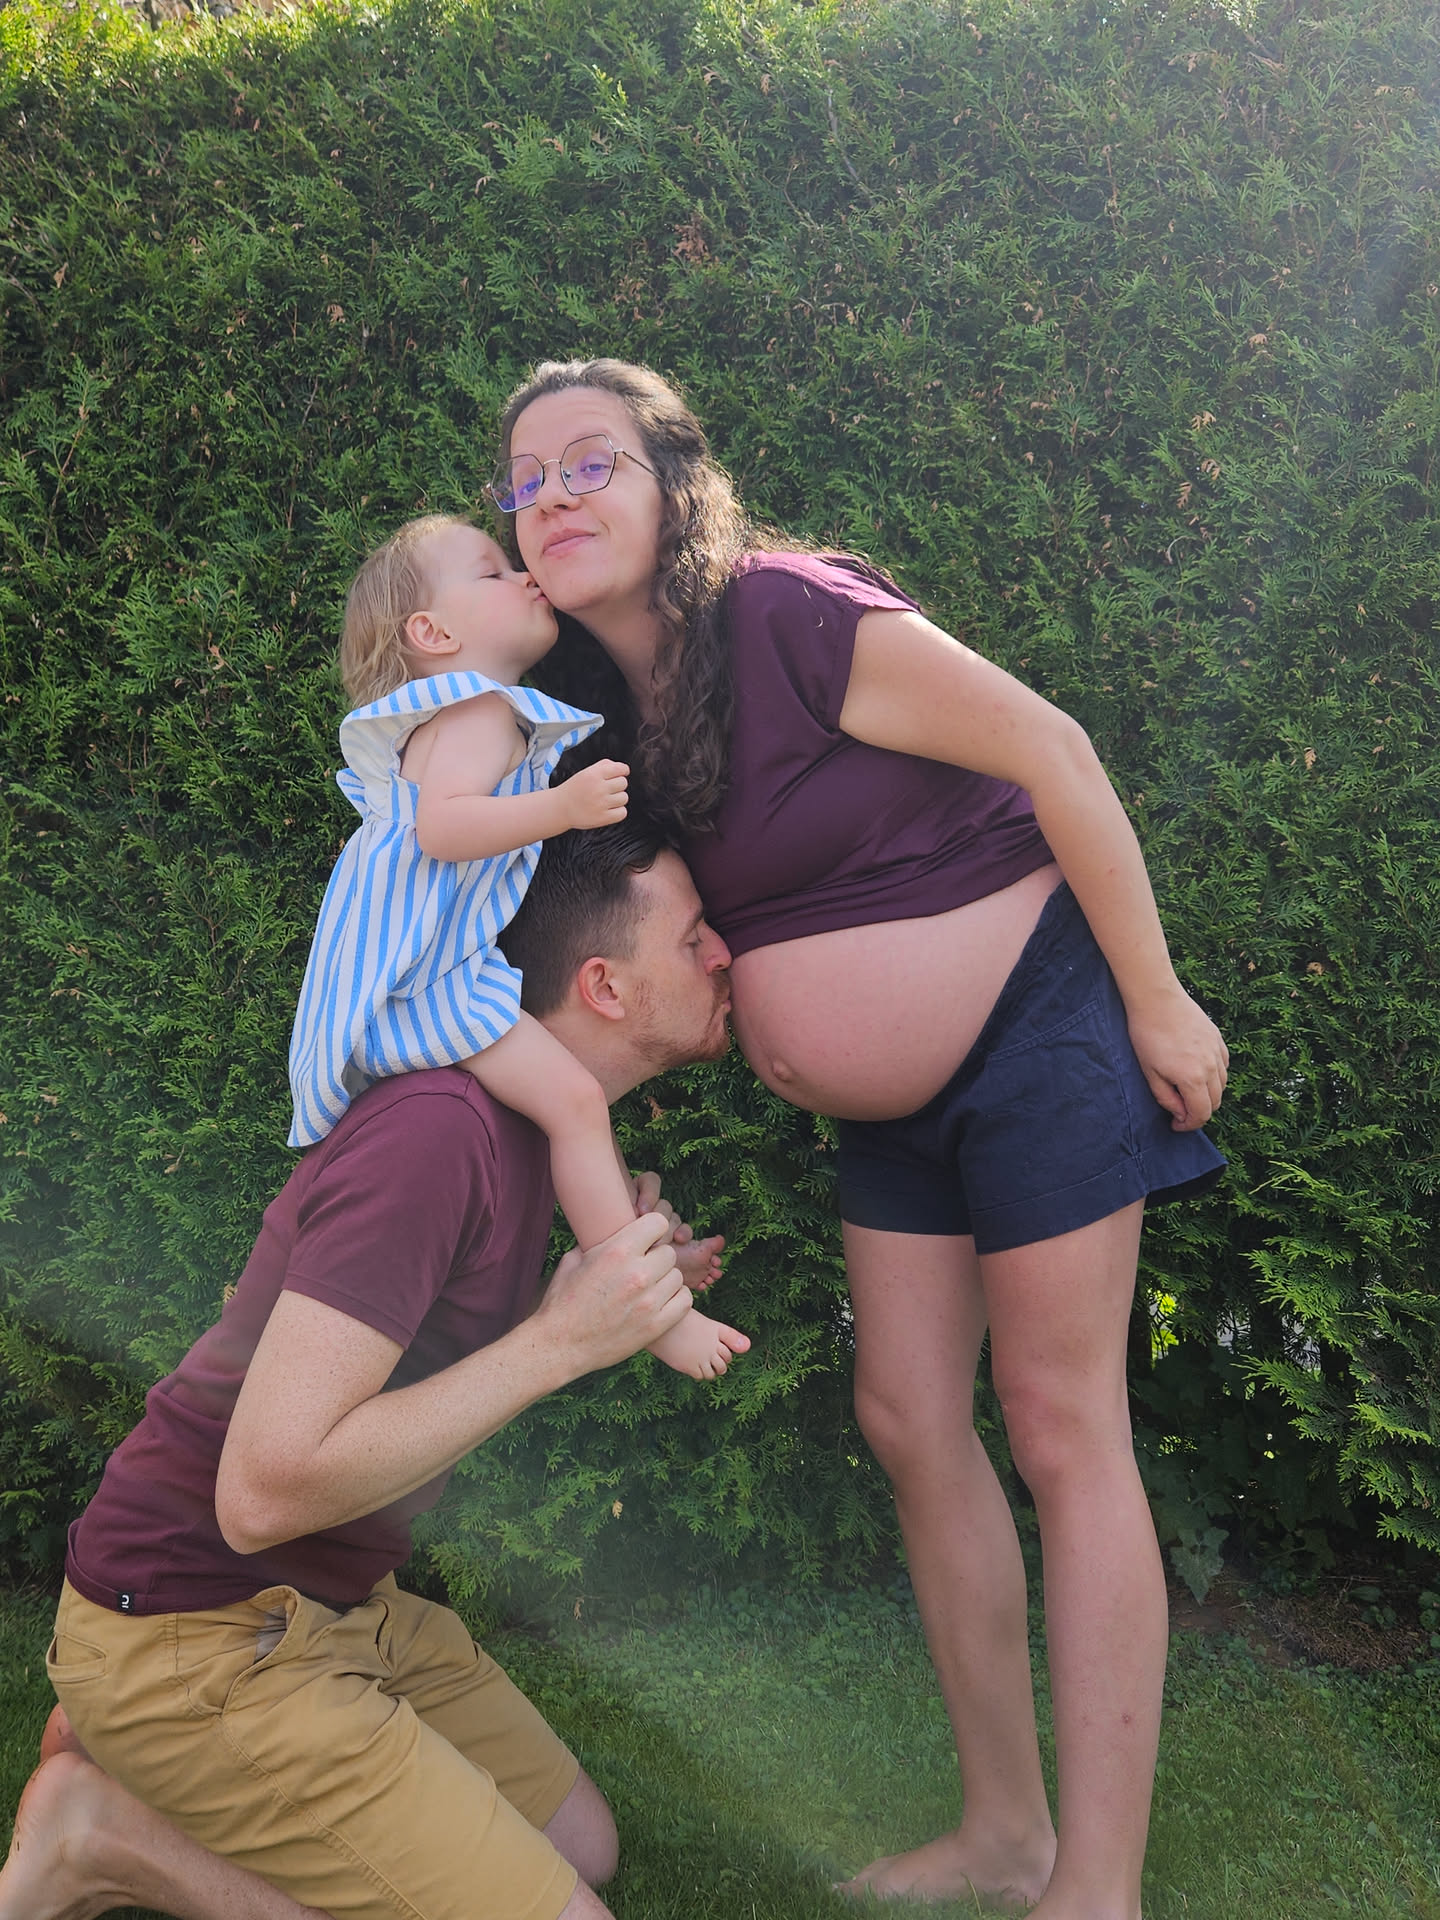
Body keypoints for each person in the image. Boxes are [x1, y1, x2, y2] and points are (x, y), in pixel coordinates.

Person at [489, 359, 1230, 1920]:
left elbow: (1055, 750)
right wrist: (594, 1141)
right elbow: (616, 952)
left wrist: (1158, 1000)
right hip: (893, 1116)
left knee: (1061, 1424)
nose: (553, 495)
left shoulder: (784, 613)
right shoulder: (607, 718)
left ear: (672, 484)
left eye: (591, 461)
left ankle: (1098, 1889)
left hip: (1037, 1025)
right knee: (906, 1416)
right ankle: (1006, 1832)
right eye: (527, 480)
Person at [0, 822, 737, 1920]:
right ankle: (97, 1830)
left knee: (586, 1847)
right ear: (604, 986)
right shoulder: (438, 1134)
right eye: (692, 938)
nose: (724, 954)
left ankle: (131, 1780)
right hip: (200, 1627)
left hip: (339, 1606)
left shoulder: (537, 1135)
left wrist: (610, 1276)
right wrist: (559, 1341)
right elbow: (262, 1493)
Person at [287, 512, 743, 1381]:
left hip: (427, 972)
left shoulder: (460, 718)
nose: (525, 576)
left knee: (572, 1103)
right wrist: (562, 808)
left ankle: (637, 1254)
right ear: (433, 633)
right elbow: (444, 828)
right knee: (574, 1101)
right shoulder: (478, 711)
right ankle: (653, 1315)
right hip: (430, 980)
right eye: (492, 573)